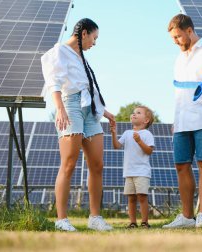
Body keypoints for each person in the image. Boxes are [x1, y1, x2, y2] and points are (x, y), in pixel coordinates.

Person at [41, 18, 115, 231]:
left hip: (90, 110)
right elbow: (53, 81)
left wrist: (105, 112)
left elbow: (87, 87)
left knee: (97, 165)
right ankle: (61, 220)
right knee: (69, 163)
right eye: (94, 37)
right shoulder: (59, 51)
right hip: (70, 105)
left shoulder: (82, 58)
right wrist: (60, 109)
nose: (95, 42)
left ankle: (94, 218)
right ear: (84, 33)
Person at [162, 14, 202, 229]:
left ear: (189, 31)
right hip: (181, 120)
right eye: (173, 38)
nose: (176, 41)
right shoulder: (179, 58)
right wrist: (176, 118)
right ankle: (187, 217)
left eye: (178, 36)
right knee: (181, 166)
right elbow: (180, 92)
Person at [110, 106, 155, 229]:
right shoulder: (127, 133)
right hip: (129, 172)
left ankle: (145, 222)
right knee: (131, 198)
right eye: (133, 112)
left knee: (142, 196)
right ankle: (132, 222)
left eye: (138, 113)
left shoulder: (147, 134)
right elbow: (116, 146)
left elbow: (149, 151)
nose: (134, 114)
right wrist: (114, 134)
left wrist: (140, 141)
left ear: (146, 120)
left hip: (142, 172)